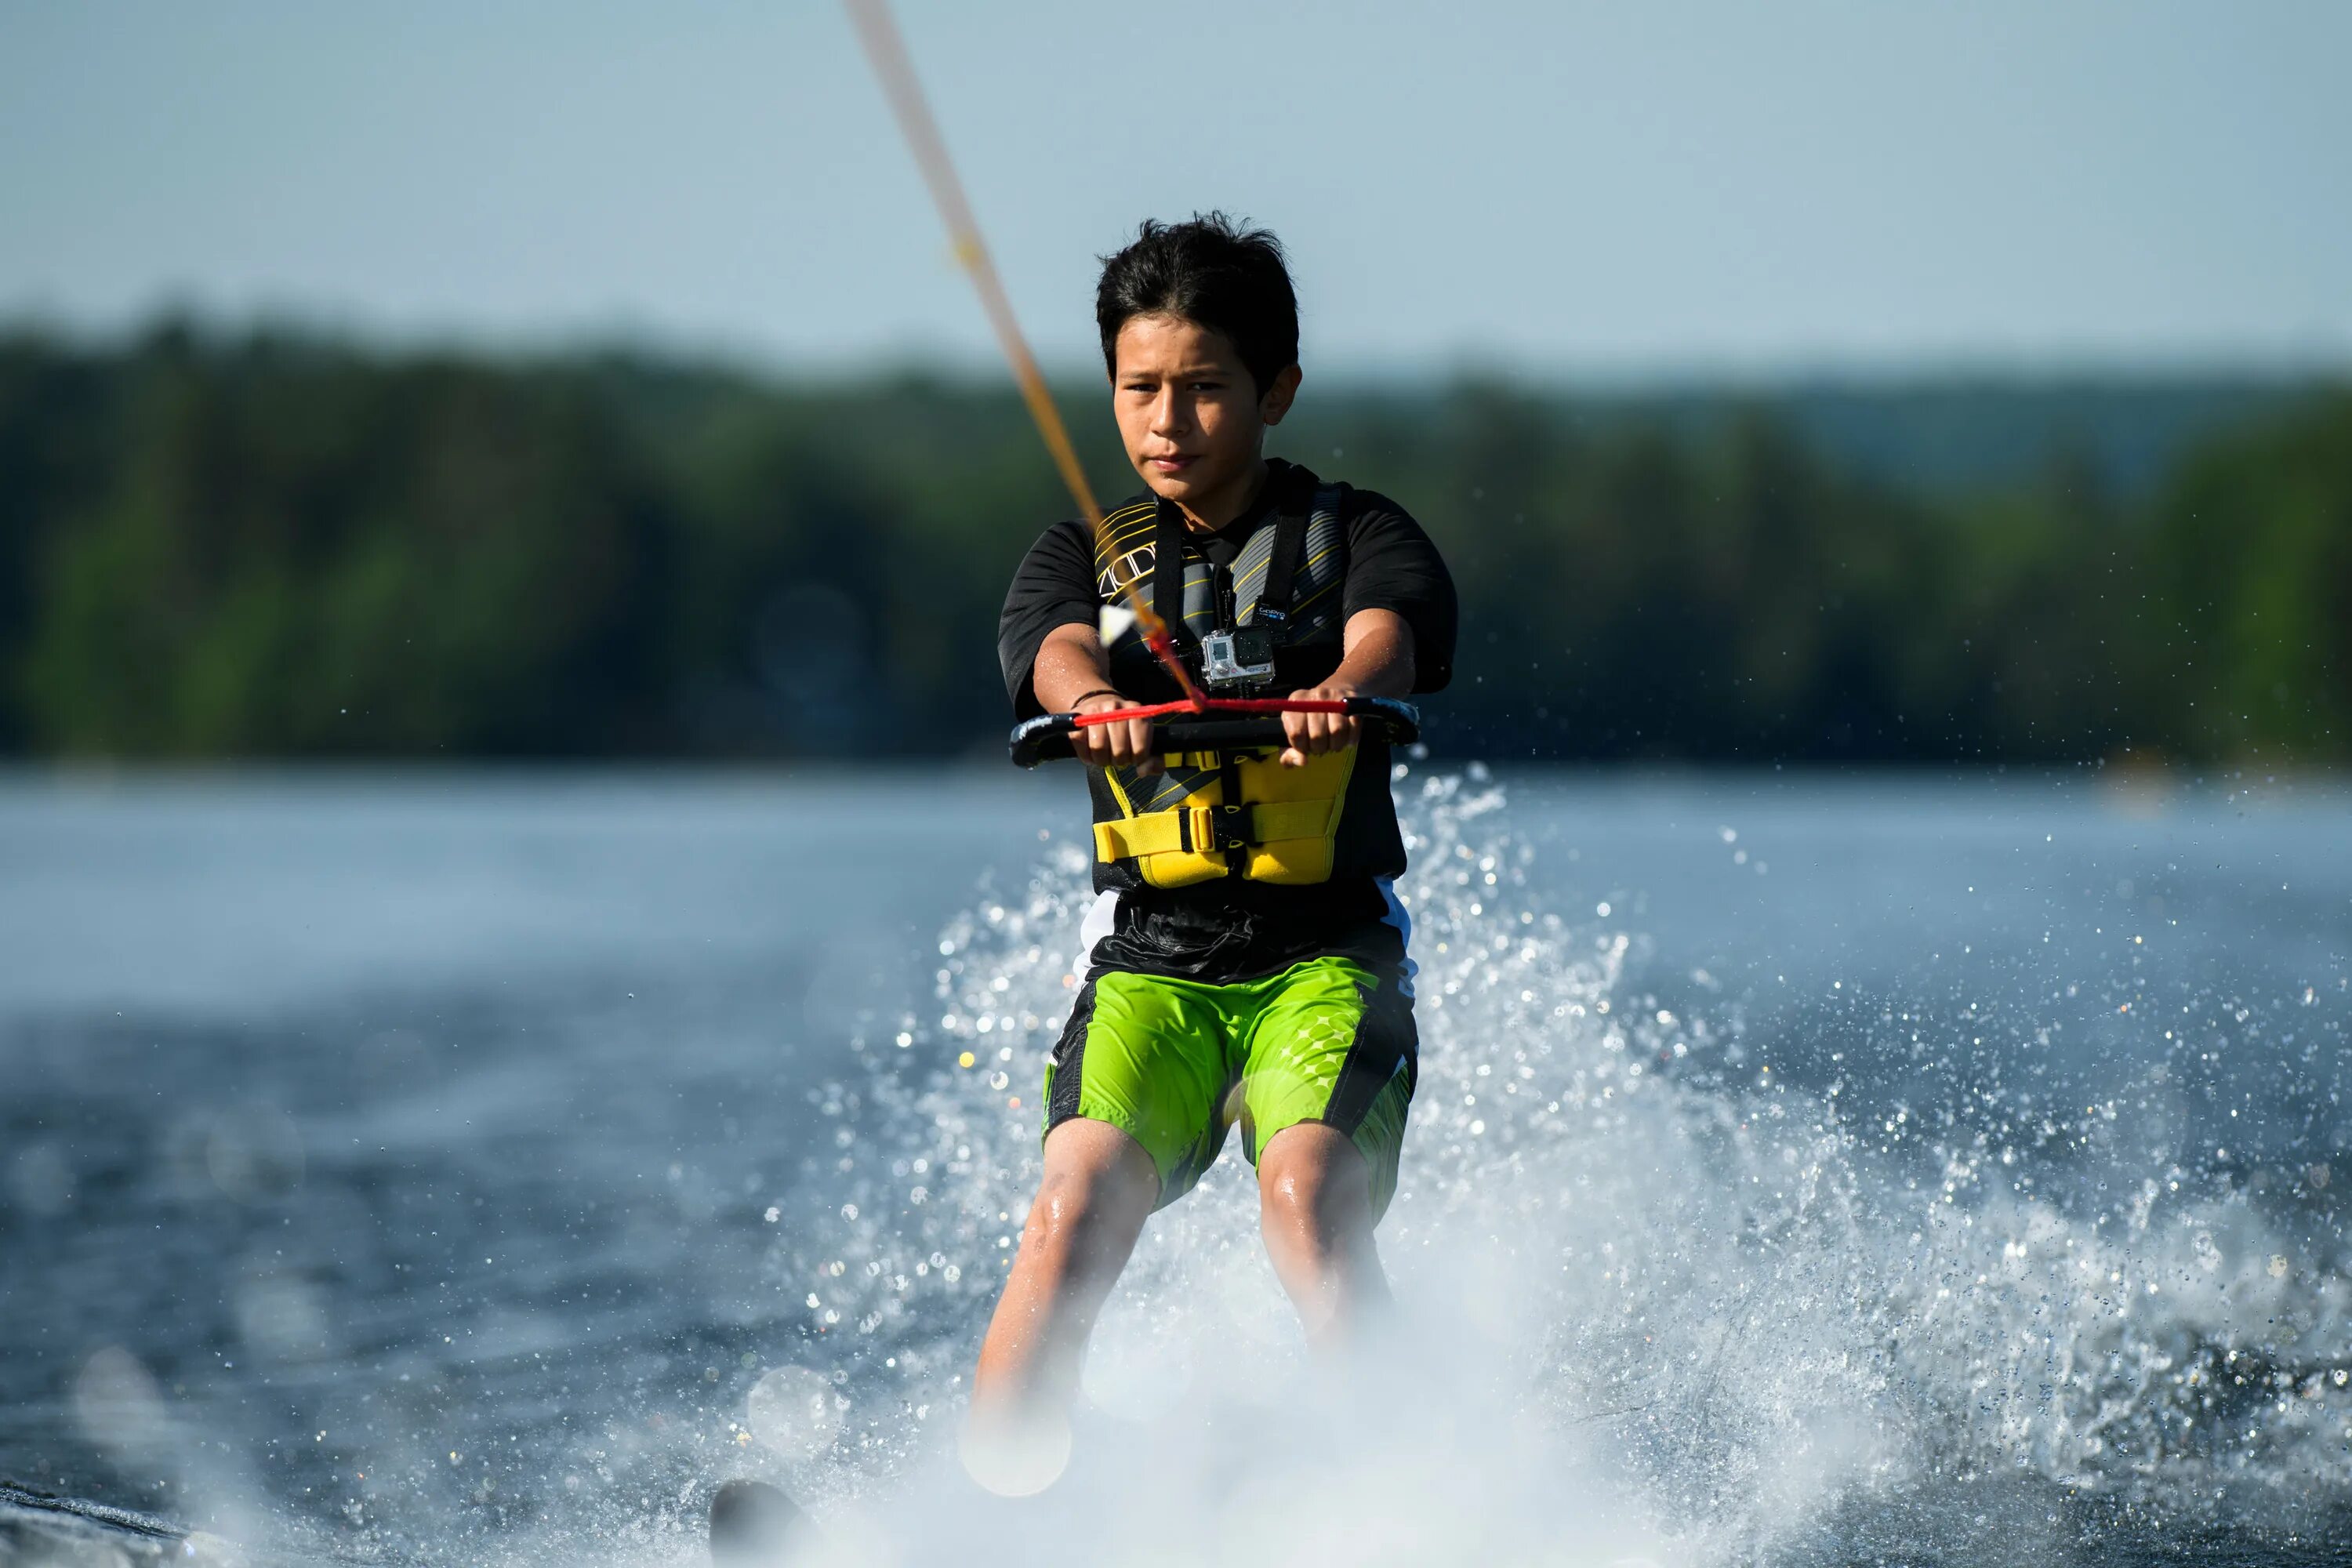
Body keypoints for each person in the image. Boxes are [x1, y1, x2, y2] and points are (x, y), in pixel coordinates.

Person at [984, 212, 1457, 1450]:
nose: (1165, 422)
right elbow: (1055, 648)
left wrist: (1343, 694)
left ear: (1277, 391)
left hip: (1327, 965)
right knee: (1071, 1204)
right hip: (1153, 969)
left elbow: (1390, 630)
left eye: (1203, 390)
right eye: (1140, 389)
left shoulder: (1356, 533)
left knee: (1304, 1195)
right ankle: (987, 1513)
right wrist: (1090, 703)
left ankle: (1426, 1494)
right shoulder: (1079, 556)